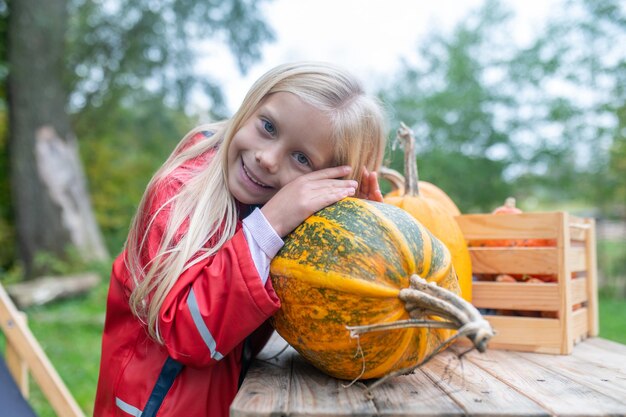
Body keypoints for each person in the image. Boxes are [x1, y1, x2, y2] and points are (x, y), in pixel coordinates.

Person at [93, 61, 388, 417]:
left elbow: (327, 322)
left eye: (301, 158)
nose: (267, 158)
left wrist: (358, 247)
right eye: (268, 126)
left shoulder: (289, 216)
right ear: (249, 107)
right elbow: (189, 336)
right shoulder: (180, 192)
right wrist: (270, 223)